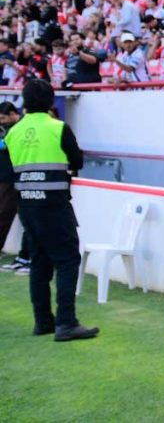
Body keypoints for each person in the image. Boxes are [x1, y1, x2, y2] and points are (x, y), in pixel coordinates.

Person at [5, 79, 96, 341]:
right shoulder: (58, 127)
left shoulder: (13, 132)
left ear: (24, 102)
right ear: (49, 100)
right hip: (54, 204)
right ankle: (66, 323)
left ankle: (43, 321)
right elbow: (77, 160)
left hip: (26, 205)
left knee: (39, 262)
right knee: (67, 261)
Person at [0, 101, 32, 276]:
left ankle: (27, 257)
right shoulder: (10, 128)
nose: (2, 121)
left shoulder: (21, 127)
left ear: (13, 113)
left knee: (6, 214)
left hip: (14, 177)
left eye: (3, 118)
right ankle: (24, 256)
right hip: (7, 177)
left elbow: (8, 145)